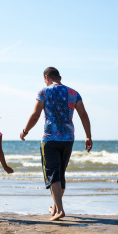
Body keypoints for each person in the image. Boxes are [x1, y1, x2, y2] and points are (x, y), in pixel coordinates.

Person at [20, 67, 92, 221]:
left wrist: (25, 131)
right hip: (68, 139)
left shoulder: (44, 92)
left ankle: (59, 210)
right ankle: (54, 207)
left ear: (46, 77)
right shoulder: (73, 93)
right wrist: (88, 136)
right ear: (59, 77)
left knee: (53, 175)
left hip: (50, 138)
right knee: (60, 174)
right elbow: (83, 115)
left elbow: (35, 115)